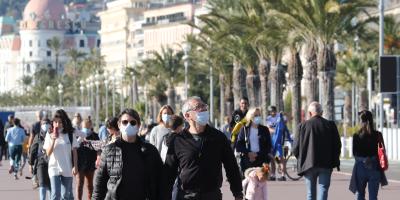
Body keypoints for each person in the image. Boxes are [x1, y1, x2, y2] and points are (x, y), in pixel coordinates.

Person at [164, 96, 243, 200]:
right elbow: (169, 173)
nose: (203, 109)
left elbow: (231, 166)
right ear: (187, 116)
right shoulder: (178, 140)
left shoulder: (218, 137)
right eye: (198, 107)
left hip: (212, 195)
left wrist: (238, 193)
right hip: (186, 196)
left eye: (204, 106)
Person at [92, 108, 163, 200]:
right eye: (125, 122)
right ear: (119, 124)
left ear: (138, 125)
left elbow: (160, 180)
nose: (128, 125)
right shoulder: (109, 150)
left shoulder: (150, 151)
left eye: (133, 123)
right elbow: (99, 183)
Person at [293, 101, 341, 200]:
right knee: (323, 190)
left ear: (310, 113)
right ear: (322, 112)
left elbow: (295, 148)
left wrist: (301, 158)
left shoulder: (302, 126)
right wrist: (334, 160)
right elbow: (337, 145)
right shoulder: (330, 125)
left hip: (308, 164)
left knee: (310, 193)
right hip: (326, 164)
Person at [349, 110, 388, 200]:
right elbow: (382, 150)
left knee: (360, 195)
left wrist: (363, 159)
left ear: (361, 121)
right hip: (374, 166)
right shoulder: (378, 135)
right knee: (373, 196)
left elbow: (354, 153)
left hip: (360, 167)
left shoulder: (356, 136)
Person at [43, 109, 79, 200]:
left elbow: (74, 151)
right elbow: (48, 153)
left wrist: (75, 166)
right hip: (53, 167)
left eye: (60, 122)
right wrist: (54, 139)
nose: (57, 124)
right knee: (55, 195)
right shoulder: (49, 134)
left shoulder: (70, 134)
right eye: (55, 122)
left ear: (64, 122)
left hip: (67, 167)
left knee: (66, 196)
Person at [236, 108, 272, 176]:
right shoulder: (244, 130)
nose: (258, 117)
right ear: (250, 117)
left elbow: (269, 146)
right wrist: (249, 153)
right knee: (249, 183)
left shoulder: (265, 130)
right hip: (248, 161)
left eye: (259, 115)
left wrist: (257, 154)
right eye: (255, 115)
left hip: (262, 161)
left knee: (261, 185)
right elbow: (238, 146)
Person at [76, 118, 99, 200]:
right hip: (79, 163)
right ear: (82, 125)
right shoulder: (77, 135)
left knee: (89, 185)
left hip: (90, 163)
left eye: (88, 124)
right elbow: (74, 149)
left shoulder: (95, 136)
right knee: (80, 184)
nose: (87, 126)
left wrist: (98, 159)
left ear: (91, 125)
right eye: (85, 125)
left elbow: (98, 149)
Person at [29, 117, 52, 200]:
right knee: (42, 183)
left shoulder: (53, 135)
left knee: (50, 185)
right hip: (41, 163)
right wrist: (30, 164)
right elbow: (33, 150)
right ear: (41, 125)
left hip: (52, 163)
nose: (45, 125)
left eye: (47, 123)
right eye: (43, 123)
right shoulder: (38, 136)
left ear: (51, 125)